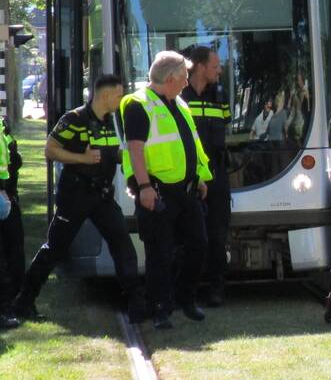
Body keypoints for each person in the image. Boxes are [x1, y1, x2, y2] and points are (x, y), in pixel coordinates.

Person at [13, 75, 142, 322]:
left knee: (122, 244)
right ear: (104, 95)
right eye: (118, 95)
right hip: (76, 194)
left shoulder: (111, 120)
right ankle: (23, 302)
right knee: (54, 248)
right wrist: (83, 159)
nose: (120, 99)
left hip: (102, 195)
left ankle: (136, 304)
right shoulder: (75, 118)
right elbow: (50, 149)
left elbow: (111, 153)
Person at [121, 51, 212, 329]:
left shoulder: (179, 103)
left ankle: (185, 298)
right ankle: (160, 307)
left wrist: (198, 177)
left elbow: (188, 144)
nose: (187, 82)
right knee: (159, 253)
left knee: (199, 244)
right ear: (171, 78)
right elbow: (135, 151)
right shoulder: (139, 104)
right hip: (157, 192)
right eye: (184, 77)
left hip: (185, 190)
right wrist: (145, 187)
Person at [182, 46, 232, 306]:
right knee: (188, 234)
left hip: (217, 175)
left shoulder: (220, 95)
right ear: (200, 67)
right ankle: (186, 289)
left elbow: (225, 127)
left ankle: (216, 288)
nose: (220, 71)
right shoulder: (180, 96)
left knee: (218, 233)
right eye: (215, 66)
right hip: (188, 177)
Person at [0, 118, 24, 329]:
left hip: (8, 197)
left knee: (14, 252)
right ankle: (5, 309)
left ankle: (15, 302)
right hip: (3, 195)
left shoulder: (3, 126)